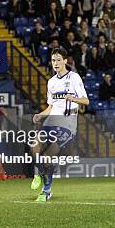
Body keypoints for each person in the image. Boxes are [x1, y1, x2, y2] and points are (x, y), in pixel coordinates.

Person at [31, 47, 89, 202]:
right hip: (51, 122)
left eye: (58, 60)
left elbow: (86, 101)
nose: (55, 63)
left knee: (49, 154)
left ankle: (46, 191)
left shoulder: (74, 78)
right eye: (53, 60)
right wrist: (40, 114)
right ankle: (40, 174)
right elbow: (51, 107)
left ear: (65, 60)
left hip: (67, 125)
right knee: (35, 146)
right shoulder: (51, 82)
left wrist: (73, 99)